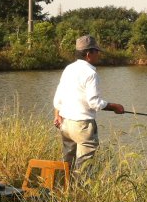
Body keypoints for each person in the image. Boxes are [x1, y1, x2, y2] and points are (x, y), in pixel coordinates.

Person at [53, 35, 124, 179]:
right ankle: (78, 196)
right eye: (96, 51)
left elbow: (58, 96)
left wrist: (57, 115)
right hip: (83, 126)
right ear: (88, 54)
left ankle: (62, 189)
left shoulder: (69, 68)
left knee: (68, 161)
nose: (98, 54)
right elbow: (94, 103)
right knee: (83, 167)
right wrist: (114, 106)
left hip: (65, 123)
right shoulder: (91, 73)